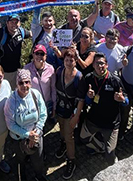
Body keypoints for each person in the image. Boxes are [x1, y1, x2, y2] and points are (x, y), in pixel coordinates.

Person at [71, 53, 125, 165]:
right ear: (93, 65)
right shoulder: (88, 78)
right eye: (97, 63)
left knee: (110, 155)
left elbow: (126, 99)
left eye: (102, 63)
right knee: (82, 139)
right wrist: (88, 97)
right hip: (93, 119)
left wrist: (122, 99)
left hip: (111, 123)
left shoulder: (115, 80)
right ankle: (99, 147)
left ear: (106, 65)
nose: (99, 66)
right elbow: (85, 101)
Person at [4, 69, 48, 181]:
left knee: (38, 159)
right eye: (21, 83)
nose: (24, 85)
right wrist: (28, 135)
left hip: (36, 135)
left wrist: (36, 133)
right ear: (17, 84)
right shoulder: (11, 101)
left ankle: (39, 176)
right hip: (19, 138)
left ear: (31, 83)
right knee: (20, 161)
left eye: (27, 82)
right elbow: (10, 124)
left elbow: (43, 114)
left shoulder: (35, 94)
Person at [0, 11, 30, 89]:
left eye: (16, 22)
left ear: (19, 23)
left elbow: (33, 33)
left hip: (16, 72)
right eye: (12, 22)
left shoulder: (21, 32)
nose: (14, 24)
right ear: (7, 23)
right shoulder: (1, 33)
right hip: (2, 73)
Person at [54, 48, 82, 180]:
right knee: (61, 129)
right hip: (60, 107)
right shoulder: (59, 71)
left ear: (76, 61)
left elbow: (81, 99)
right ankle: (62, 143)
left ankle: (71, 160)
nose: (69, 62)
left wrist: (76, 116)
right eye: (66, 60)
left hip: (71, 111)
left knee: (69, 135)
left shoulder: (78, 77)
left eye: (71, 60)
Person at [25, 44, 57, 119]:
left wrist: (54, 106)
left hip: (46, 104)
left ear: (45, 56)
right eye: (37, 53)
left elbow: (53, 89)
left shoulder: (50, 69)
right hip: (32, 105)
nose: (39, 56)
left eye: (42, 54)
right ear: (33, 54)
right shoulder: (26, 69)